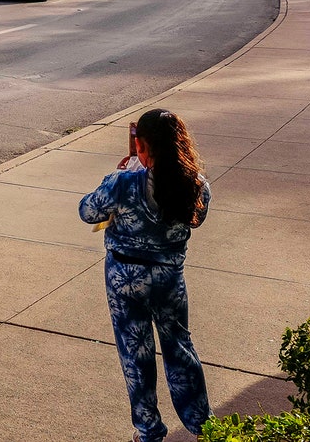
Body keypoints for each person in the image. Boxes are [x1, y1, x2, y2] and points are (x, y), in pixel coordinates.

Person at [80, 109, 212, 442]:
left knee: (135, 355)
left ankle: (149, 430)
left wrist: (120, 173)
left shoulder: (122, 182)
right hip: (169, 279)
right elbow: (196, 220)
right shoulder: (195, 184)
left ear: (142, 146)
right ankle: (202, 425)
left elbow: (88, 212)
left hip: (125, 278)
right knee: (179, 348)